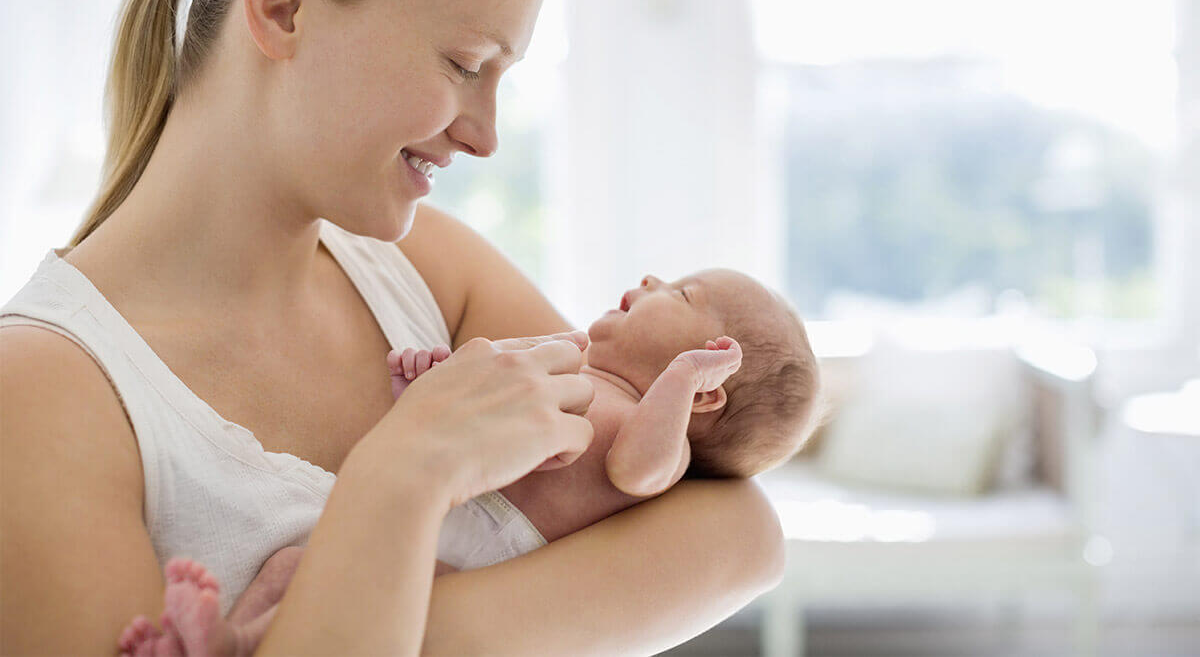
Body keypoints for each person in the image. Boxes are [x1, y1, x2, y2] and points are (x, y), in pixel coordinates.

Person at [0, 0, 785, 654]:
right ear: (283, 7)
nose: (485, 136)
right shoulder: (38, 394)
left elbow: (740, 532)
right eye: (466, 64)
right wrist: (403, 476)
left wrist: (351, 620)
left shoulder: (429, 270)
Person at [115, 268, 821, 655]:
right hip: (445, 505)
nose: (652, 277)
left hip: (484, 550)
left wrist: (678, 380)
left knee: (371, 593)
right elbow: (467, 407)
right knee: (293, 569)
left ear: (705, 392)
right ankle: (231, 639)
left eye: (684, 294)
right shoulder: (573, 355)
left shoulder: (648, 429)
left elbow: (638, 469)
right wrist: (428, 382)